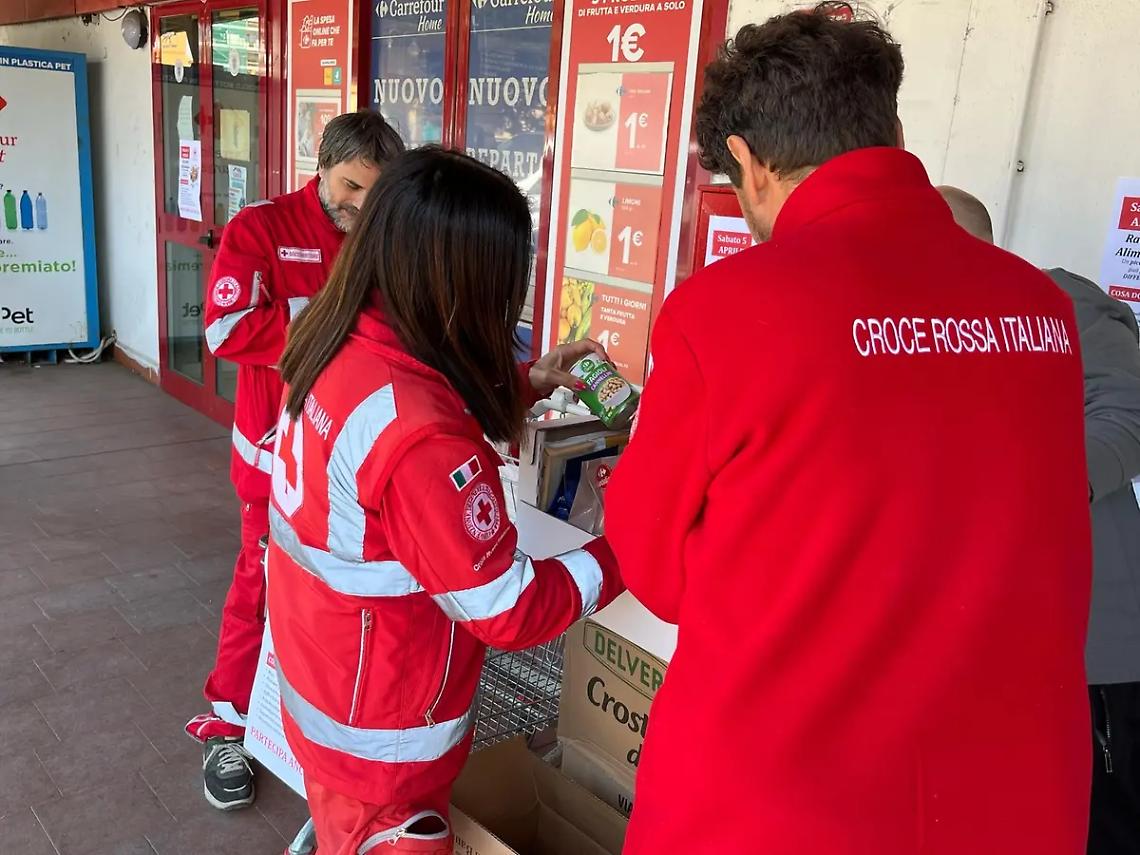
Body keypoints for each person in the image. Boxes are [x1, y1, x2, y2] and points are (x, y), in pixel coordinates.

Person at [605, 7, 1092, 853]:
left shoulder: (722, 314)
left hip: (779, 804)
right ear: (893, 130)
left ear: (748, 164)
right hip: (1009, 797)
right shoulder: (1042, 310)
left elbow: (656, 566)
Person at [267, 147, 625, 855]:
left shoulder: (338, 341)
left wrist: (527, 379)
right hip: (386, 742)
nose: (507, 302)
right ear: (457, 281)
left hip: (330, 688)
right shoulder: (420, 435)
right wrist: (634, 544)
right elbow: (510, 608)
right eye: (502, 281)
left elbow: (402, 433)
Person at [189, 110, 405, 811]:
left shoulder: (380, 231)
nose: (359, 206)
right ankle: (227, 722)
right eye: (349, 187)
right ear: (322, 165)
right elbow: (224, 329)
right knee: (259, 587)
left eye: (375, 193)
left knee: (340, 609)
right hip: (276, 458)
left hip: (357, 462)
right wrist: (335, 320)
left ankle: (320, 746)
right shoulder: (262, 227)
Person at [938, 185, 1140, 854]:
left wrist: (1013, 490)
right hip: (1002, 642)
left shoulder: (1057, 301)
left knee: (1100, 821)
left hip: (1095, 651)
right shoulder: (929, 336)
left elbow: (1129, 416)